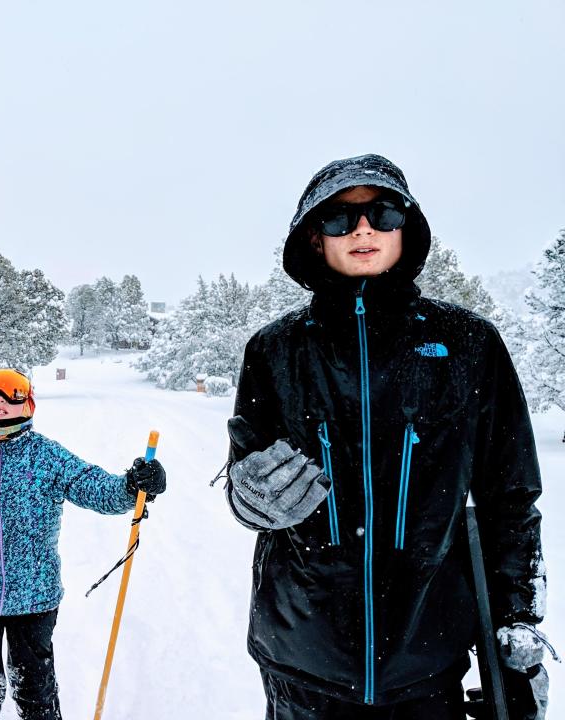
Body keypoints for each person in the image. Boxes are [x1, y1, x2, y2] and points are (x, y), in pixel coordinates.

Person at [223, 154, 549, 719]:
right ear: (312, 238)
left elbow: (509, 498)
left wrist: (517, 625)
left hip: (428, 661)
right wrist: (250, 501)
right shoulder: (274, 351)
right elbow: (246, 476)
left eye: (383, 212)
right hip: (303, 661)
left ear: (408, 227)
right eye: (338, 219)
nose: (363, 229)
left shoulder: (469, 345)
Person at [0, 368, 166, 720]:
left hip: (34, 598)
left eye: (10, 393)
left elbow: (95, 488)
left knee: (35, 692)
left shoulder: (47, 457)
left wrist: (132, 487)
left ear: (28, 401)